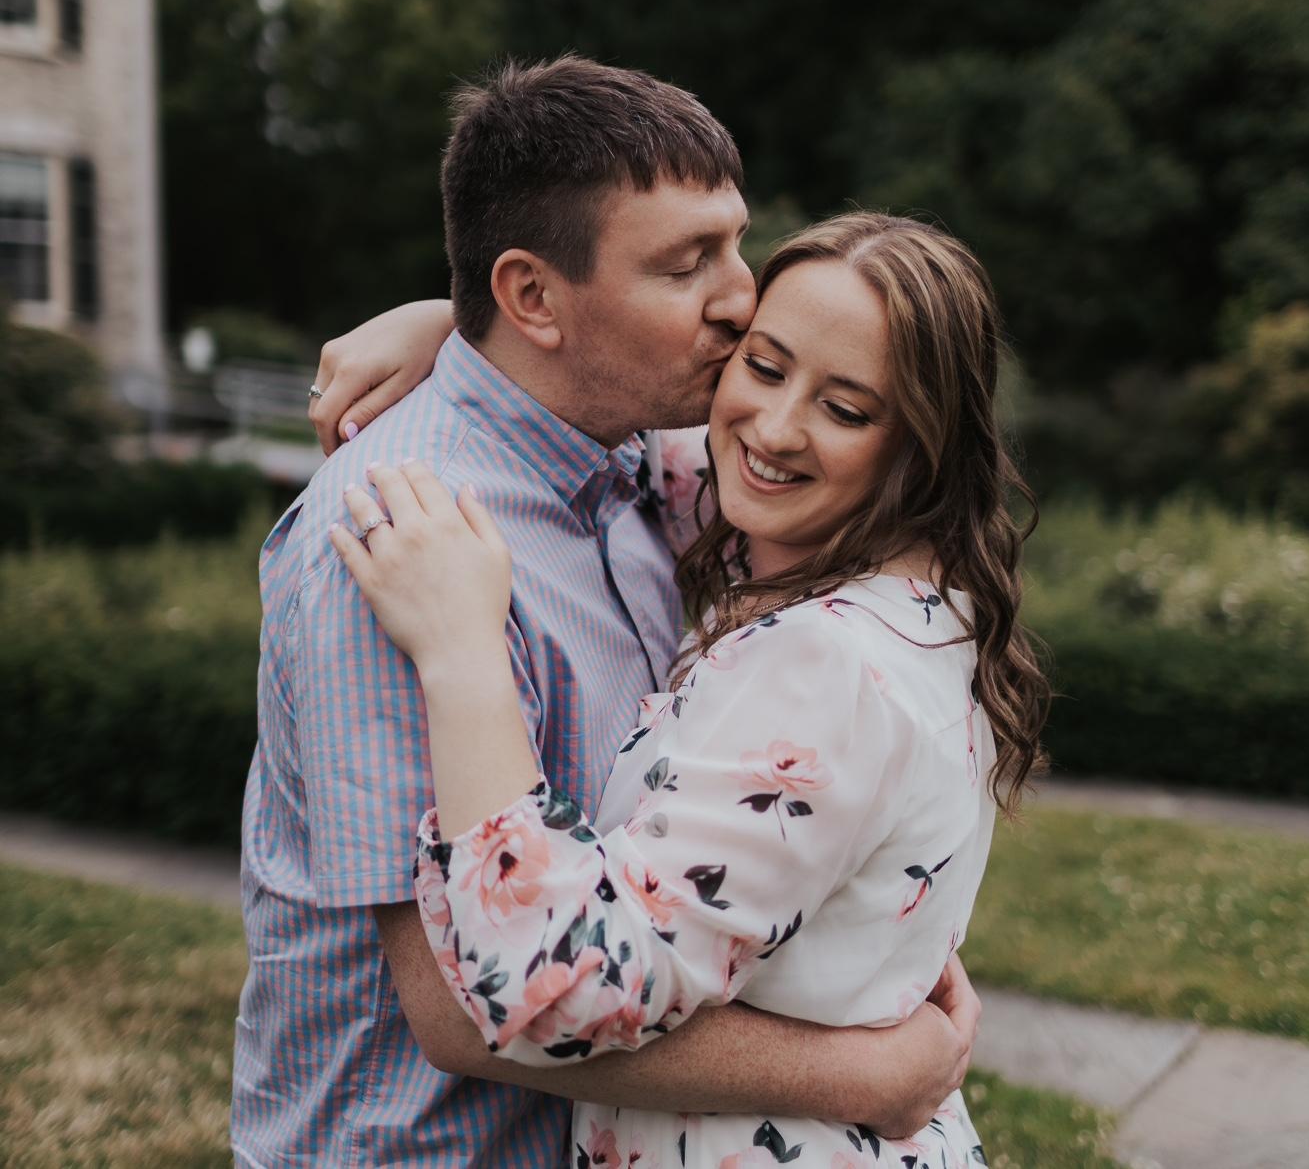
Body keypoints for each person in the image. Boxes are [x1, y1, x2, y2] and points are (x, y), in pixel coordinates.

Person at [234, 57, 980, 1166]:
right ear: (534, 297)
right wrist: (866, 1070)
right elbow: (455, 1011)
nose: (741, 298)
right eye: (687, 265)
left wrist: (446, 322)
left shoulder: (646, 467)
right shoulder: (399, 540)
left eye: (735, 243)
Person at [328, 212, 1050, 1166]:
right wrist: (465, 334)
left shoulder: (825, 664)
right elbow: (652, 444)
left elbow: (556, 990)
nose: (776, 428)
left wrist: (464, 653)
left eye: (846, 410)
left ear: (921, 445)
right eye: (765, 365)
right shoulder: (899, 586)